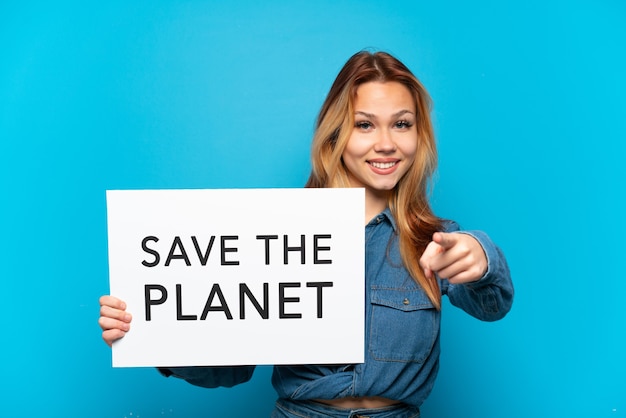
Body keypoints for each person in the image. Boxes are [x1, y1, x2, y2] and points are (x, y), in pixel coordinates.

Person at [99, 50, 514, 417]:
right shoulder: (278, 232)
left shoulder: (435, 240)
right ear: (336, 133)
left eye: (401, 124)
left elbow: (492, 305)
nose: (386, 143)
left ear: (418, 135)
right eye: (364, 125)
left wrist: (480, 257)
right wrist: (154, 332)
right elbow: (231, 368)